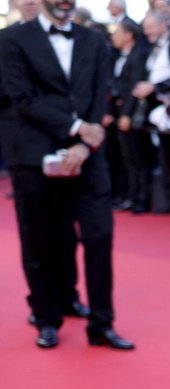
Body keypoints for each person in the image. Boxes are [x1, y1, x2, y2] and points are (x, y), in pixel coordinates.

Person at [1, 0, 134, 351]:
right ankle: (46, 318)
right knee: (41, 240)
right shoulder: (12, 40)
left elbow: (98, 96)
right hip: (33, 154)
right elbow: (23, 98)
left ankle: (102, 323)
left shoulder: (94, 41)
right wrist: (77, 128)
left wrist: (84, 145)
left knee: (99, 236)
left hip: (87, 157)